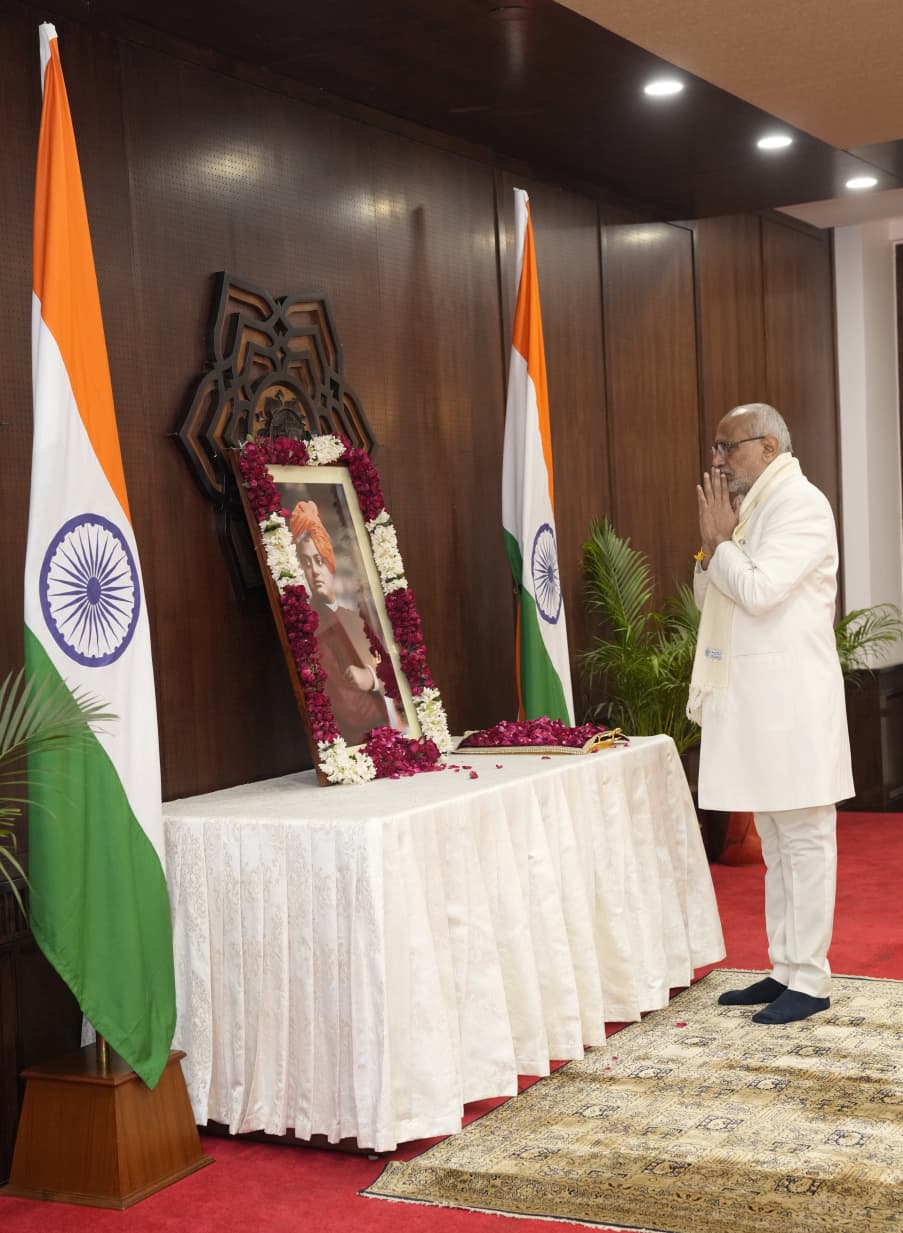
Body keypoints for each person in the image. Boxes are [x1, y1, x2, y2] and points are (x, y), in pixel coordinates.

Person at [689, 403, 853, 1025]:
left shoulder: (802, 504)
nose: (717, 460)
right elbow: (710, 592)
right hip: (756, 701)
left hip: (793, 702)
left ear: (767, 445)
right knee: (777, 841)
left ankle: (811, 978)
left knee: (805, 838)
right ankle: (785, 968)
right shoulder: (754, 507)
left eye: (727, 447)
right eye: (717, 448)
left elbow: (757, 591)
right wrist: (716, 550)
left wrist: (717, 545)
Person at [290, 499, 394, 746]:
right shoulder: (314, 630)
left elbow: (391, 664)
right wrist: (393, 699)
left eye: (318, 560)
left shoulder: (353, 615)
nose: (314, 571)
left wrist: (373, 679)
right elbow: (352, 710)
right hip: (360, 742)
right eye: (306, 563)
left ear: (329, 560)